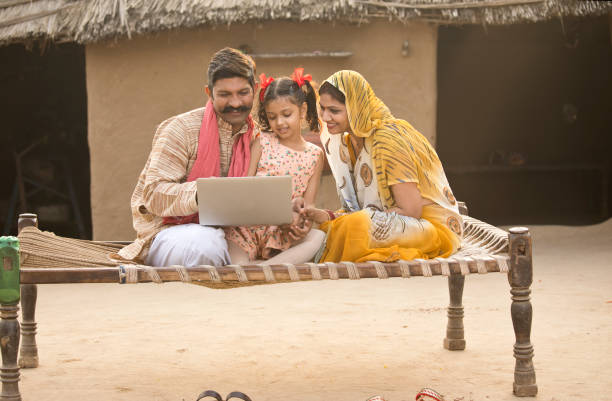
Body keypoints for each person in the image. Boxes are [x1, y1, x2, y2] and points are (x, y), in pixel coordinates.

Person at [114, 48, 309, 267]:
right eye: (225, 95)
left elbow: (255, 198)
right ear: (209, 92)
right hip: (173, 234)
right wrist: (203, 195)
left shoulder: (258, 138)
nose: (235, 103)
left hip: (237, 237)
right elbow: (152, 195)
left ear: (254, 89)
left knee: (313, 239)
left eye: (242, 93)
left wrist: (285, 211)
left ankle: (252, 277)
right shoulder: (182, 129)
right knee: (206, 245)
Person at [304, 70, 462, 263]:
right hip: (391, 222)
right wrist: (322, 214)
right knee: (332, 226)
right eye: (323, 109)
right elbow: (359, 210)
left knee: (355, 226)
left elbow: (411, 210)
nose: (326, 117)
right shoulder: (350, 142)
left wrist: (351, 220)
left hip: (431, 229)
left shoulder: (387, 139)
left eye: (334, 111)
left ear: (356, 108)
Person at [225, 68, 325, 264]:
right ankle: (259, 269)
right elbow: (245, 188)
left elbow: (309, 204)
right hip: (247, 230)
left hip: (283, 233)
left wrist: (303, 223)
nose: (279, 122)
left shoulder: (315, 155)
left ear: (302, 110)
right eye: (272, 117)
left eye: (287, 114)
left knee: (318, 238)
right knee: (236, 265)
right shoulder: (262, 142)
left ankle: (266, 269)